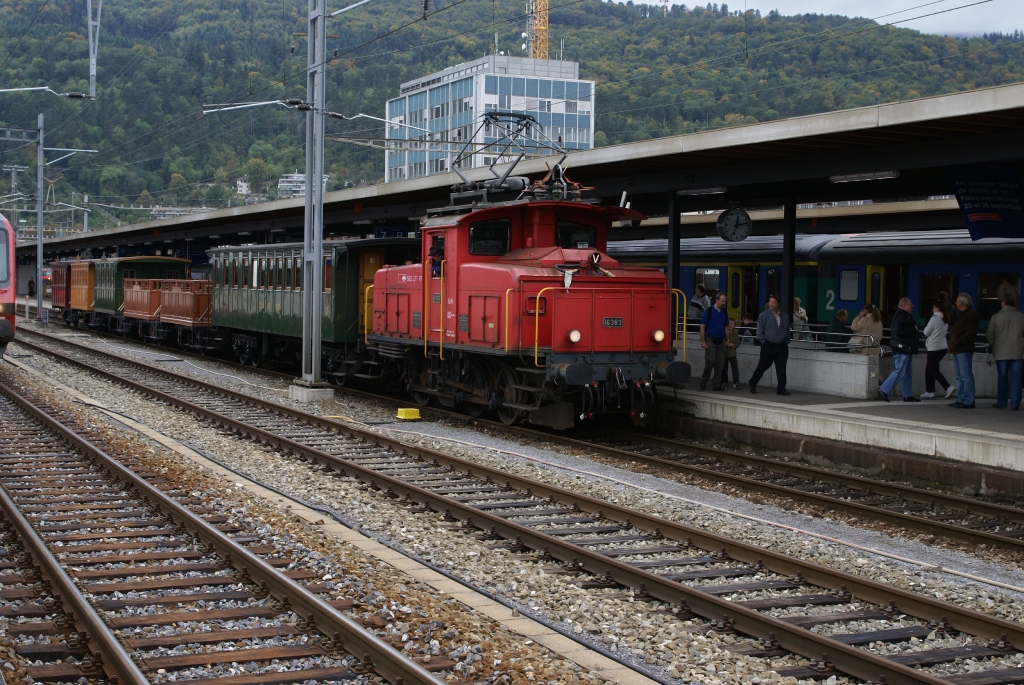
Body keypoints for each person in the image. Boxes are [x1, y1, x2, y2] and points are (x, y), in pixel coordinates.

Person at [876, 297, 920, 403]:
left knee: (907, 372)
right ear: (904, 305)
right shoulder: (901, 315)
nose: (912, 307)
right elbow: (899, 330)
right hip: (902, 348)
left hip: (906, 348)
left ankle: (907, 394)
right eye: (910, 305)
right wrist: (913, 329)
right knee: (900, 370)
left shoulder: (904, 315)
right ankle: (883, 389)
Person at [986, 294, 1024, 410]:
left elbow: (989, 334)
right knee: (1017, 377)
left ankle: (1002, 402)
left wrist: (994, 344)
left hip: (1001, 352)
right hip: (1018, 351)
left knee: (1002, 377)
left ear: (1003, 302)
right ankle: (1015, 403)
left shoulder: (996, 317)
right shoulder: (1021, 316)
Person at [748, 294, 791, 395]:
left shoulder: (784, 316)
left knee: (781, 368)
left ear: (778, 304)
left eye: (773, 302)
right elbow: (759, 330)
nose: (771, 304)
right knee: (763, 366)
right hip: (768, 345)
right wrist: (763, 342)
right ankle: (752, 382)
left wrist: (786, 340)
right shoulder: (763, 315)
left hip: (782, 346)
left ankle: (781, 389)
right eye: (770, 302)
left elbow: (787, 329)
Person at [947, 292, 979, 409]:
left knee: (965, 376)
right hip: (958, 349)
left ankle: (969, 400)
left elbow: (970, 332)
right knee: (959, 376)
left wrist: (958, 341)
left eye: (957, 301)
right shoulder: (963, 314)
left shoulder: (970, 315)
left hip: (963, 349)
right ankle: (961, 399)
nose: (955, 303)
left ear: (962, 303)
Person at [921, 300, 953, 399]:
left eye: (933, 307)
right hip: (942, 347)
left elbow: (926, 332)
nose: (932, 309)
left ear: (937, 308)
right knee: (929, 368)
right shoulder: (945, 318)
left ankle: (948, 387)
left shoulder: (935, 318)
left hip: (934, 347)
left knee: (933, 369)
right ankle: (929, 390)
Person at [699, 292, 729, 390]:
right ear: (716, 300)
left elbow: (726, 326)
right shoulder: (709, 311)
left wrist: (727, 339)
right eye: (722, 301)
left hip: (721, 340)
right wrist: (703, 341)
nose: (724, 303)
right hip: (710, 338)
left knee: (720, 363)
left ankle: (716, 383)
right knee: (711, 360)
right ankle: (704, 379)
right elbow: (702, 326)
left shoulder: (724, 312)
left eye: (725, 301)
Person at [719, 318, 741, 389]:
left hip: (732, 354)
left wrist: (732, 345)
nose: (731, 325)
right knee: (724, 369)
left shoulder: (735, 334)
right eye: (730, 323)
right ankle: (724, 382)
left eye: (733, 324)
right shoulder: (723, 333)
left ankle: (736, 382)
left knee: (735, 369)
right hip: (724, 354)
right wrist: (725, 344)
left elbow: (738, 343)